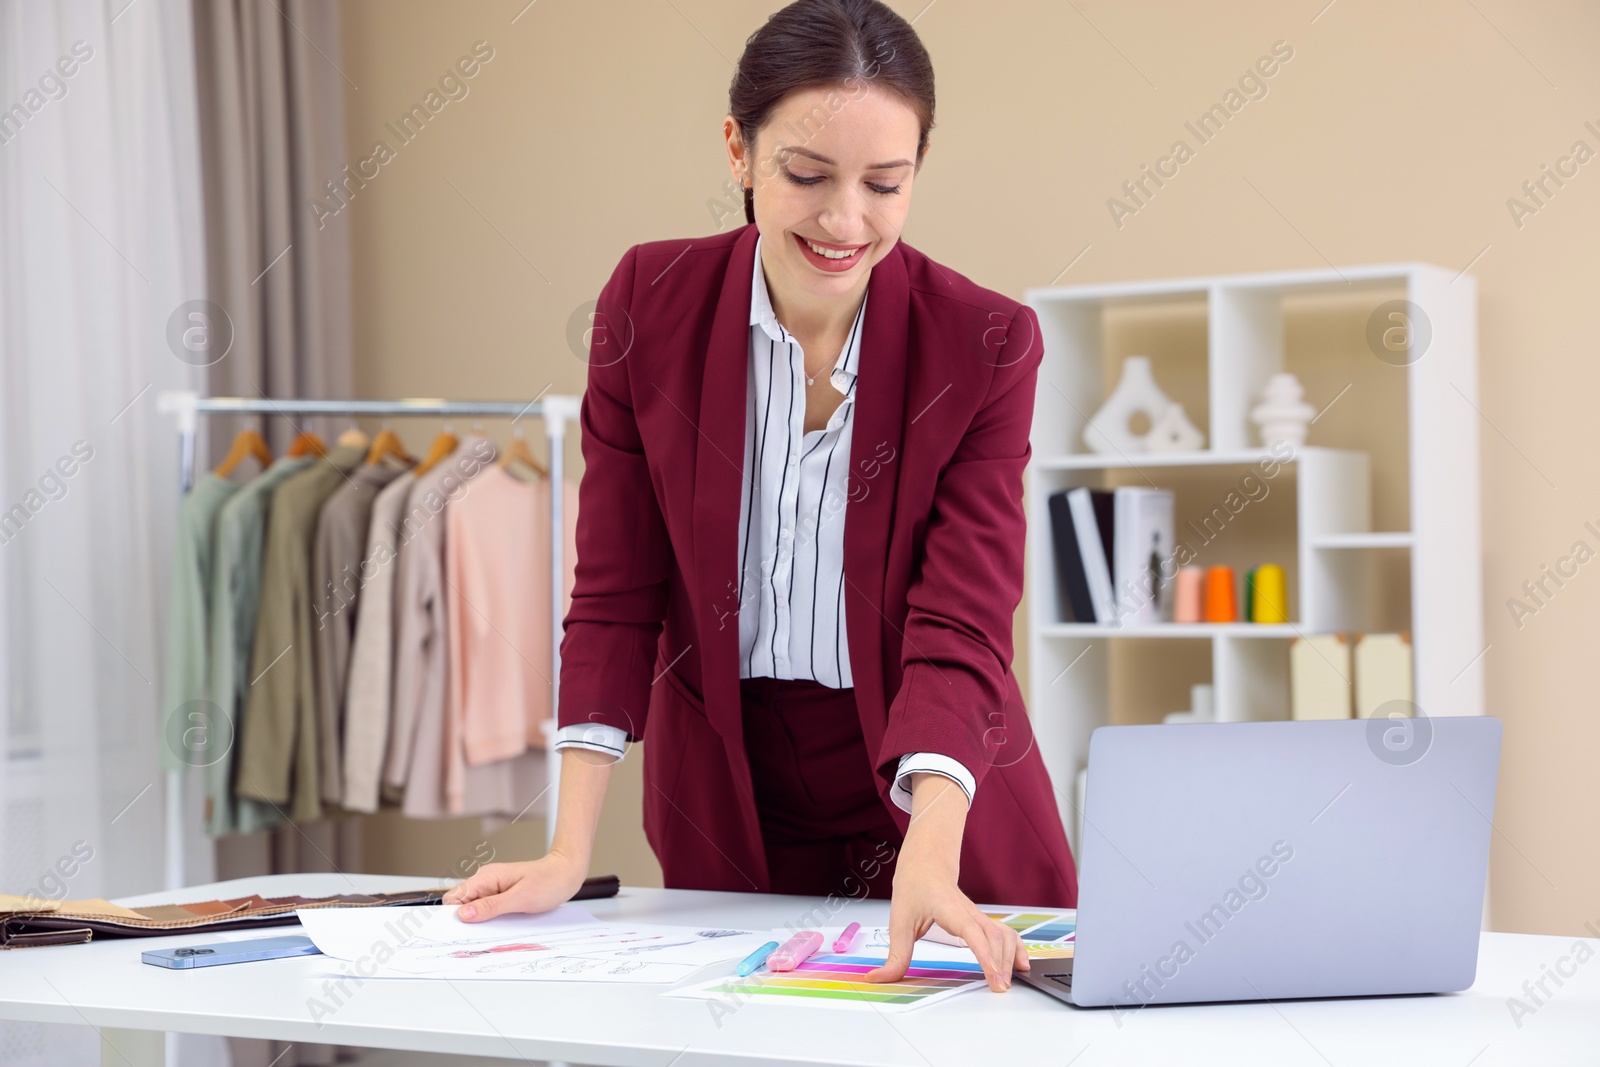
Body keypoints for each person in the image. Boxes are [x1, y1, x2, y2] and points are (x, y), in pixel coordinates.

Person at [443, 0, 1077, 993]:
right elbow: (615, 591)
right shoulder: (648, 306)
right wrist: (569, 847)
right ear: (738, 150)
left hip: (939, 790)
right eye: (806, 175)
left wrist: (929, 844)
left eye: (884, 183)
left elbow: (959, 622)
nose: (843, 220)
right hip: (734, 792)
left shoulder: (985, 344)